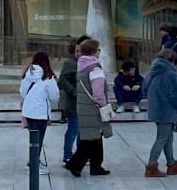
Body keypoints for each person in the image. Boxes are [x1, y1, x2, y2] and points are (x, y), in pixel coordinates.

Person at [65, 36, 111, 178]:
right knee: (90, 139)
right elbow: (98, 92)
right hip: (93, 107)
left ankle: (96, 166)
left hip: (84, 107)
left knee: (95, 137)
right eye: (98, 50)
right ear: (93, 51)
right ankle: (74, 164)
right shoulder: (94, 67)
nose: (99, 52)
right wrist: (104, 106)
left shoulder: (82, 64)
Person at [141, 47, 177, 178]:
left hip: (156, 109)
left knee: (167, 138)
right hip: (168, 110)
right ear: (172, 61)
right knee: (162, 138)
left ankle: (171, 164)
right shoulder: (171, 73)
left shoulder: (153, 71)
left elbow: (144, 88)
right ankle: (151, 166)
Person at [20, 50, 60, 163]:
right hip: (40, 113)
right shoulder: (48, 77)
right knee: (39, 140)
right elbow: (54, 96)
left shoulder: (27, 74)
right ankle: (33, 163)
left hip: (28, 112)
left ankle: (33, 161)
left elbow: (22, 93)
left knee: (33, 139)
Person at [58, 38, 83, 165]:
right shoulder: (70, 63)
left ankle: (80, 155)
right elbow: (62, 80)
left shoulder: (86, 63)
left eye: (81, 51)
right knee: (73, 129)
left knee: (81, 131)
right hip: (74, 103)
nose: (79, 53)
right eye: (77, 51)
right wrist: (73, 91)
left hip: (84, 103)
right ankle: (67, 155)